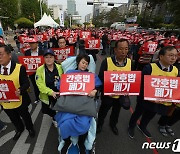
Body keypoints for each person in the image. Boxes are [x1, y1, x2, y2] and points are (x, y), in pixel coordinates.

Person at [128, 46, 179, 139]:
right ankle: (131, 126)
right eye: (170, 55)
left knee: (151, 114)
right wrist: (150, 96)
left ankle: (142, 126)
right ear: (161, 56)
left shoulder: (175, 70)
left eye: (175, 56)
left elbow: (174, 86)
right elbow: (141, 85)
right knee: (138, 113)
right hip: (145, 99)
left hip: (161, 100)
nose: (173, 58)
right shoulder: (149, 67)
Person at [54, 54, 102, 154]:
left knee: (84, 124)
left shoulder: (90, 75)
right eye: (83, 62)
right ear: (78, 62)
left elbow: (98, 85)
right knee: (64, 124)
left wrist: (95, 90)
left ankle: (81, 142)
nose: (84, 65)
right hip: (69, 103)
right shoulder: (69, 73)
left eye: (87, 63)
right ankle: (67, 142)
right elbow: (60, 86)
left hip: (84, 104)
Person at [0, 44, 35, 140]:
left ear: (9, 55)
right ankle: (19, 129)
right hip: (5, 102)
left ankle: (30, 128)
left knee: (25, 116)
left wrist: (20, 90)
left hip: (20, 100)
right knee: (13, 118)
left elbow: (26, 83)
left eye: (1, 54)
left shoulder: (20, 68)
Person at [97, 39, 131, 135]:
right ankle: (99, 125)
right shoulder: (107, 62)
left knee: (116, 111)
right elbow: (100, 78)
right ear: (115, 50)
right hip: (108, 95)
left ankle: (113, 124)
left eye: (126, 49)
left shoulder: (130, 62)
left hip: (121, 95)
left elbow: (132, 79)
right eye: (120, 49)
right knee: (103, 111)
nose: (123, 52)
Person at [35, 49, 63, 126]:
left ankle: (55, 118)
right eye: (46, 57)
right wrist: (51, 92)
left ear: (54, 58)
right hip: (46, 94)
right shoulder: (40, 70)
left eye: (51, 57)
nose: (49, 59)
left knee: (58, 107)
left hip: (58, 93)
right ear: (43, 59)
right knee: (44, 110)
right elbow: (40, 84)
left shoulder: (60, 67)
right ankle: (54, 115)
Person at [24, 36, 44, 104]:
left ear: (37, 43)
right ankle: (37, 98)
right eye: (30, 43)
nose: (31, 45)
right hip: (32, 73)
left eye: (33, 43)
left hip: (41, 72)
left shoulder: (42, 51)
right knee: (35, 85)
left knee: (43, 84)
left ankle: (44, 97)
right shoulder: (27, 52)